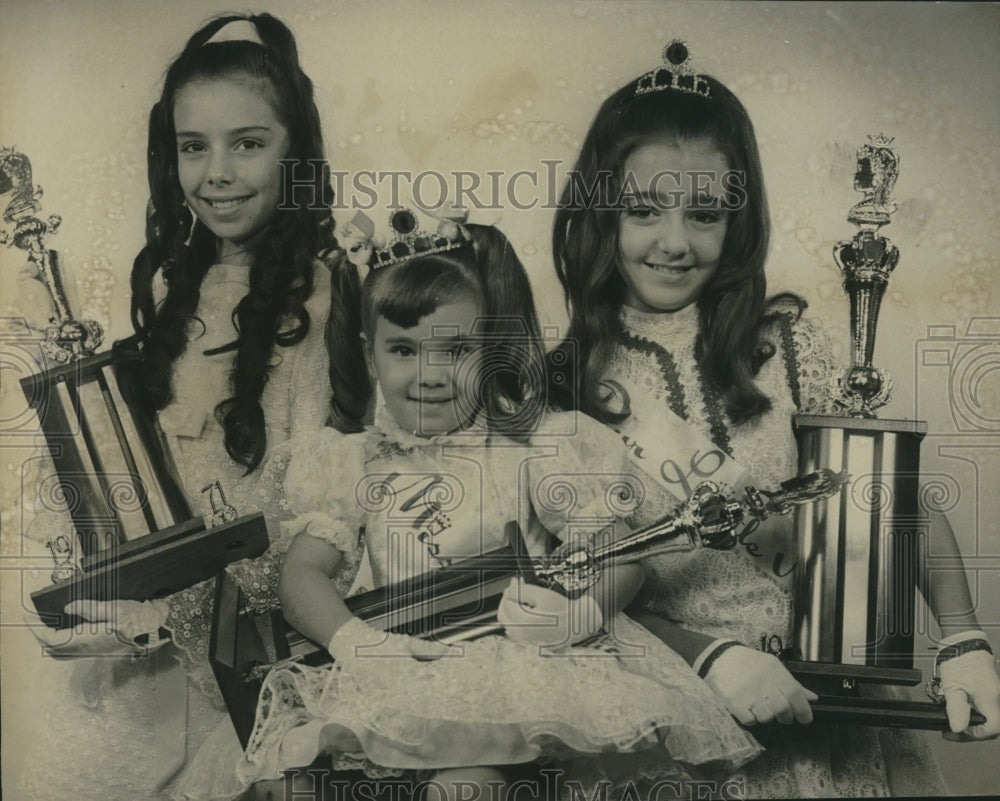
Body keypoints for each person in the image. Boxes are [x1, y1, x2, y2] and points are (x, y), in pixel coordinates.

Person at [546, 40, 1000, 798]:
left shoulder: (789, 345)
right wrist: (705, 655)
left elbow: (890, 495)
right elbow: (563, 598)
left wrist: (963, 636)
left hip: (835, 722)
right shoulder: (561, 388)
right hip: (665, 730)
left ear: (739, 216)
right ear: (600, 210)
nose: (674, 242)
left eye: (704, 213)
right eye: (642, 209)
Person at [236, 210, 763, 800]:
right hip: (397, 668)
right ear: (369, 352)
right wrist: (360, 647)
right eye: (404, 350)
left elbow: (619, 554)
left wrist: (578, 618)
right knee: (286, 786)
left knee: (468, 789)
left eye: (455, 350)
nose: (429, 374)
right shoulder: (354, 463)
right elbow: (301, 575)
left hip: (508, 677)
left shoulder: (533, 448)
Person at [19, 13, 337, 801]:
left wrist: (255, 595)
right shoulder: (168, 287)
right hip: (152, 624)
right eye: (195, 147)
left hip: (255, 625)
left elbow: (323, 474)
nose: (218, 173)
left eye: (248, 143)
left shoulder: (325, 294)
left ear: (295, 150)